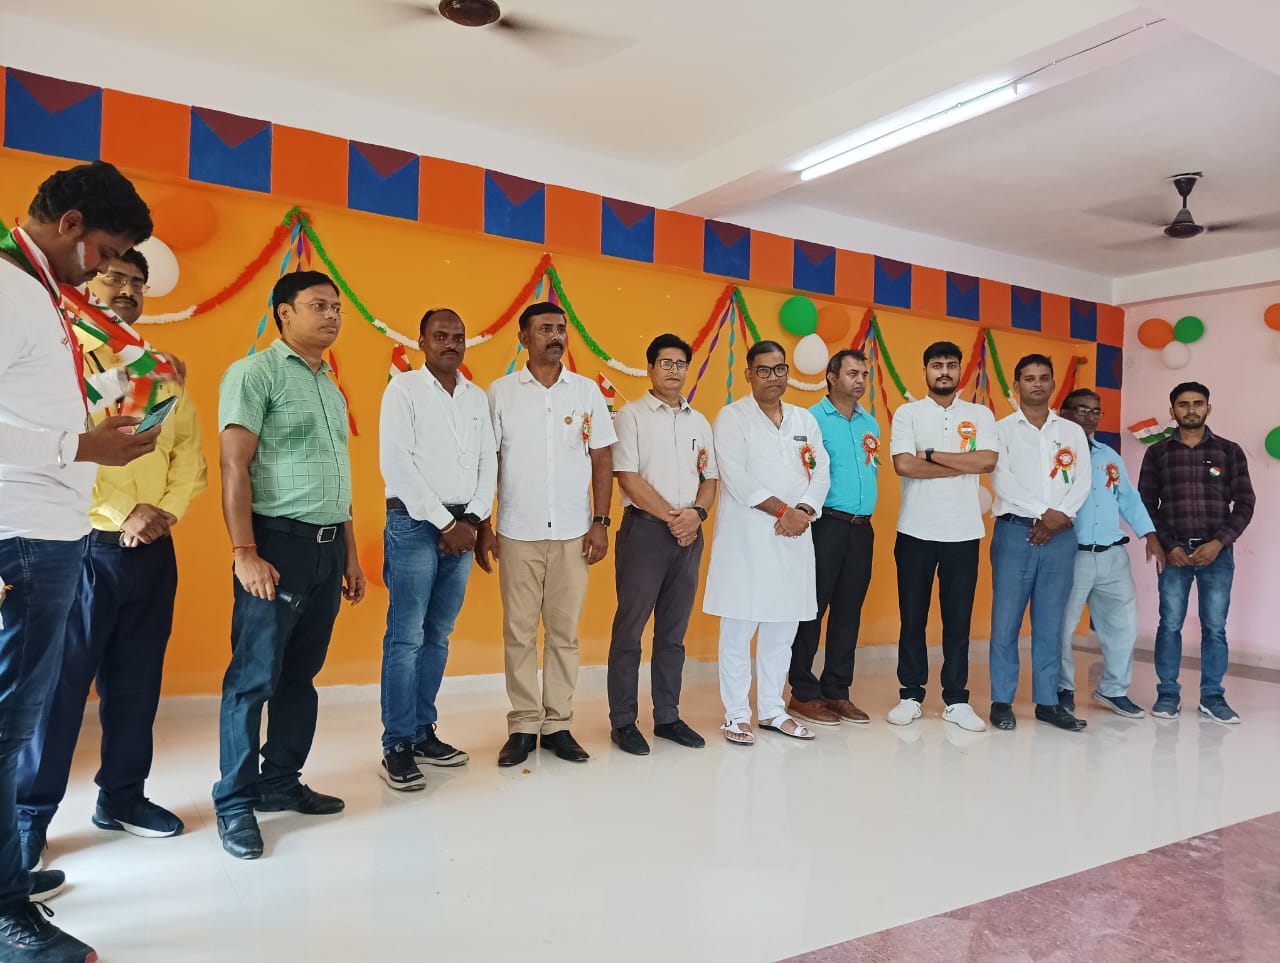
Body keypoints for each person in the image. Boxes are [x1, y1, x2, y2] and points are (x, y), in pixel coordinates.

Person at [0, 161, 157, 962]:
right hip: (24, 530)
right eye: (105, 251)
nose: (103, 270)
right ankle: (5, 912)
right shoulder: (7, 284)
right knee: (10, 727)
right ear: (70, 226)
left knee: (15, 720)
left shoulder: (39, 292)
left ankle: (5, 875)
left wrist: (108, 426)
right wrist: (81, 446)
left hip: (50, 529)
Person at [16, 249, 207, 865]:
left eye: (136, 283)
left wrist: (164, 514)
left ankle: (122, 797)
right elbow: (64, 452)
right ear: (87, 283)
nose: (126, 289)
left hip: (152, 552)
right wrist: (124, 513)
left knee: (136, 685)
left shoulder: (160, 369)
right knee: (58, 692)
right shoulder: (63, 356)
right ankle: (28, 817)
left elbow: (188, 453)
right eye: (113, 277)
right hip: (84, 549)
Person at [213, 270, 366, 860]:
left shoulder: (330, 384)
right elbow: (234, 466)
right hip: (275, 545)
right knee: (253, 678)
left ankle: (280, 781)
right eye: (318, 305)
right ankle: (234, 802)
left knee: (300, 675)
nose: (332, 316)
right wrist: (244, 552)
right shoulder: (254, 373)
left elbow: (338, 476)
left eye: (336, 307)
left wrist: (350, 555)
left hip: (327, 549)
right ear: (284, 313)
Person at [479, 302, 616, 768]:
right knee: (518, 632)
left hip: (575, 532)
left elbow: (602, 457)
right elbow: (490, 460)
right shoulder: (500, 393)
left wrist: (601, 521)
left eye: (560, 329)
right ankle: (522, 725)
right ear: (523, 338)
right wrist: (485, 524)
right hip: (517, 531)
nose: (555, 336)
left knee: (564, 634)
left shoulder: (586, 391)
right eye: (544, 329)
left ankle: (558, 724)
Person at [377, 308, 496, 789]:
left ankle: (422, 731)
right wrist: (447, 522)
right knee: (406, 636)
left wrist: (471, 519)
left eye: (458, 336)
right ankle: (397, 743)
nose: (451, 343)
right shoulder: (403, 389)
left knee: (438, 634)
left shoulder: (476, 397)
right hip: (413, 521)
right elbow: (396, 464)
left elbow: (488, 463)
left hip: (463, 524)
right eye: (440, 336)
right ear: (422, 341)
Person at [703, 341, 829, 745]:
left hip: (794, 538)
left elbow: (821, 470)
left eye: (779, 369)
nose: (773, 377)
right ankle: (737, 715)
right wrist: (783, 511)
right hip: (746, 540)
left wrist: (803, 511)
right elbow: (736, 477)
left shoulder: (803, 419)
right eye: (763, 370)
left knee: (782, 629)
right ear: (748, 374)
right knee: (739, 630)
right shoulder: (732, 417)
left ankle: (773, 710)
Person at [606, 334, 718, 756]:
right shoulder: (630, 416)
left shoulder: (699, 422)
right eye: (665, 363)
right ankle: (623, 721)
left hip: (690, 534)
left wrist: (697, 515)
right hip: (646, 534)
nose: (674, 370)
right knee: (630, 630)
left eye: (680, 363)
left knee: (673, 633)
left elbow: (710, 478)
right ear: (650, 368)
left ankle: (668, 716)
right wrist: (674, 518)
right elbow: (627, 476)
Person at [887, 342, 997, 733]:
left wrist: (931, 455)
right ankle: (910, 695)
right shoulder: (908, 413)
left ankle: (956, 700)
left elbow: (987, 461)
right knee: (912, 618)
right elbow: (904, 465)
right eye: (937, 365)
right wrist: (962, 463)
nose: (944, 371)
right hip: (915, 530)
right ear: (925, 371)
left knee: (958, 621)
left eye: (951, 365)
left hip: (964, 533)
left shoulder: (980, 414)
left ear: (960, 370)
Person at [1138, 381, 1254, 724]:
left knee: (1215, 627)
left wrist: (1219, 542)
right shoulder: (1158, 453)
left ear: (1208, 408)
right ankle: (1167, 694)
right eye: (1183, 404)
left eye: (1198, 403)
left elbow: (1245, 503)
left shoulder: (1229, 451)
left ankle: (1212, 697)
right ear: (1172, 410)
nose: (1191, 410)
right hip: (1174, 554)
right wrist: (1169, 544)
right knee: (1170, 624)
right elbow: (1146, 504)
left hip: (1217, 554)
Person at [989, 354, 1091, 732]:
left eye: (1044, 377)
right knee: (1006, 622)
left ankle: (1048, 702)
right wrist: (1043, 514)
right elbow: (1001, 479)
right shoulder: (1001, 430)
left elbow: (1082, 479)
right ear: (1016, 385)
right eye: (1029, 378)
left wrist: (1058, 516)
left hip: (1061, 537)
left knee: (1050, 623)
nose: (1037, 384)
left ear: (1052, 384)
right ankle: (1002, 701)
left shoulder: (1072, 431)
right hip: (1015, 532)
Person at [1056, 389, 1163, 718]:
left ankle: (1113, 690)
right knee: (1061, 626)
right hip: (1070, 555)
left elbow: (1128, 498)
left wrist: (1149, 534)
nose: (1089, 416)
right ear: (1063, 412)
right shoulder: (1052, 451)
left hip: (1113, 555)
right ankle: (1062, 688)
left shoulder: (1109, 455)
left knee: (1123, 626)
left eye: (1095, 411)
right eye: (1081, 409)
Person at [787, 349, 878, 727]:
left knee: (848, 612)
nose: (860, 380)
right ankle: (802, 693)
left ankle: (837, 690)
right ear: (831, 377)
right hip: (825, 525)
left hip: (862, 528)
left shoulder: (870, 422)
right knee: (812, 609)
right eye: (852, 373)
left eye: (864, 375)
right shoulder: (810, 419)